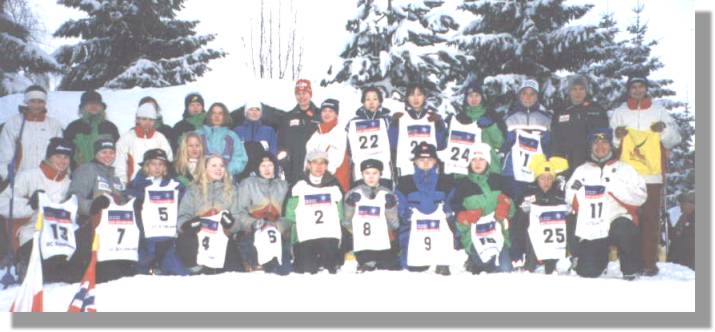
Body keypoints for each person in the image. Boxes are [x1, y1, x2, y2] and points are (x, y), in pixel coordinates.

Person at [609, 76, 682, 276]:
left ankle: (649, 263)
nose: (638, 90)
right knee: (628, 220)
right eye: (634, 87)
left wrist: (664, 131)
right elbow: (610, 143)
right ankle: (630, 263)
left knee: (650, 221)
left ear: (646, 89)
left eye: (641, 86)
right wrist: (617, 135)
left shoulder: (658, 111)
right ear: (628, 90)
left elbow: (675, 138)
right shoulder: (620, 112)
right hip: (626, 177)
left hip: (653, 176)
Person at [565, 128, 647, 280]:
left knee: (625, 228)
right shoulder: (582, 170)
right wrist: (581, 198)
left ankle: (630, 268)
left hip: (617, 219)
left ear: (611, 145)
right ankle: (597, 262)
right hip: (593, 225)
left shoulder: (625, 169)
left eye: (604, 142)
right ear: (590, 146)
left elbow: (640, 197)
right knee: (587, 272)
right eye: (596, 143)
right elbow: (569, 195)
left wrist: (613, 188)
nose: (600, 147)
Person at [0, 138, 77, 283]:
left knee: (66, 274)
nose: (63, 161)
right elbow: (3, 202)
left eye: (66, 157)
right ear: (49, 157)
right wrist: (30, 206)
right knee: (41, 274)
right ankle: (25, 264)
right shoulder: (29, 176)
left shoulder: (69, 182)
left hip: (60, 237)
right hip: (32, 233)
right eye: (58, 156)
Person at [67, 137, 134, 283]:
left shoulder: (114, 177)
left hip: (113, 231)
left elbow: (119, 200)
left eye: (111, 152)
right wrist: (91, 205)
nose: (108, 156)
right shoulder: (87, 169)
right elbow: (73, 198)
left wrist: (127, 201)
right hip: (91, 227)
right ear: (95, 153)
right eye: (104, 152)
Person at [452, 142, 514, 274]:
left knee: (504, 269)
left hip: (498, 234)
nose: (477, 163)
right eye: (473, 159)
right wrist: (464, 217)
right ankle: (473, 260)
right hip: (474, 235)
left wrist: (506, 206)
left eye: (481, 159)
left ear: (488, 161)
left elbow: (512, 208)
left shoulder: (498, 181)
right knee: (485, 264)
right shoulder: (462, 185)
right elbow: (454, 212)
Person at [124, 149, 188, 276]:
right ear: (146, 166)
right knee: (138, 274)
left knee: (180, 274)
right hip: (146, 238)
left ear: (165, 167)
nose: (157, 168)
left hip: (168, 236)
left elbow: (185, 200)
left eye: (161, 164)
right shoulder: (136, 185)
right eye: (153, 164)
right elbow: (127, 199)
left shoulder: (175, 184)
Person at [395, 142, 455, 275]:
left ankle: (442, 261)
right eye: (421, 159)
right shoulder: (405, 183)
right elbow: (400, 207)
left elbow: (452, 203)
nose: (426, 163)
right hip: (414, 230)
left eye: (430, 159)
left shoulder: (446, 182)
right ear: (415, 162)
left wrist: (448, 211)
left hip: (438, 229)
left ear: (436, 161)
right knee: (413, 267)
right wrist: (406, 214)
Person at [176, 155, 239, 273]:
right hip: (198, 238)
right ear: (204, 168)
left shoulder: (232, 190)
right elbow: (182, 218)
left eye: (221, 165)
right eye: (214, 165)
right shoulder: (193, 190)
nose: (219, 168)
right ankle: (196, 270)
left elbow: (238, 219)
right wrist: (189, 224)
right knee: (184, 241)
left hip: (222, 238)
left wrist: (231, 223)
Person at [284, 150, 344, 274]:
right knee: (305, 270)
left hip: (328, 235)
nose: (319, 166)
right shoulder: (298, 185)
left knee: (330, 269)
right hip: (306, 236)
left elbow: (340, 214)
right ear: (308, 165)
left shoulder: (334, 185)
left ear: (327, 166)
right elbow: (290, 214)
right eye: (315, 162)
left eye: (323, 163)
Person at [235, 151, 291, 275]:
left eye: (270, 165)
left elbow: (289, 214)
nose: (267, 169)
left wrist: (279, 225)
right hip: (253, 231)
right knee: (257, 266)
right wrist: (254, 223)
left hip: (277, 231)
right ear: (257, 168)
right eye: (263, 166)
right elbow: (239, 212)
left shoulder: (283, 186)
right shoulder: (248, 184)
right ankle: (252, 263)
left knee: (284, 269)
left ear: (275, 167)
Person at [513, 154, 569, 274]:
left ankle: (552, 263)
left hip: (553, 234)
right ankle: (530, 262)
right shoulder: (529, 192)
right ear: (537, 178)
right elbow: (518, 217)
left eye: (549, 178)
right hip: (532, 234)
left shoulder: (559, 194)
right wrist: (524, 210)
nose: (546, 182)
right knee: (525, 222)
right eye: (542, 178)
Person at [500, 79, 553, 206]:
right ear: (519, 95)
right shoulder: (509, 117)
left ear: (537, 97)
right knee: (512, 208)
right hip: (512, 173)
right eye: (524, 93)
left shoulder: (546, 119)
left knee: (531, 209)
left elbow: (551, 147)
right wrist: (508, 141)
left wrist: (546, 141)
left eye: (532, 94)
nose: (528, 97)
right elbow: (500, 145)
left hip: (535, 174)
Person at [343, 159, 400, 272]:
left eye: (375, 173)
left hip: (382, 243)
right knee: (367, 263)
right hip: (363, 243)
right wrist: (350, 206)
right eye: (367, 173)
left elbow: (395, 225)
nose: (371, 177)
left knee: (391, 265)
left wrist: (390, 208)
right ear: (362, 174)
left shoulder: (387, 193)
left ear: (381, 174)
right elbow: (346, 222)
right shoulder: (353, 193)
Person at [0, 85, 64, 186]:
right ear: (26, 102)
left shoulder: (54, 124)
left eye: (40, 101)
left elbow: (60, 154)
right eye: (32, 101)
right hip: (20, 179)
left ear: (45, 103)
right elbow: (5, 154)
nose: (36, 105)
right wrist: (8, 175)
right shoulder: (13, 123)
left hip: (47, 180)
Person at [551, 75, 608, 179]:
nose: (578, 92)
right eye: (574, 89)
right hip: (566, 163)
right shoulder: (561, 111)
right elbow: (555, 140)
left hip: (591, 162)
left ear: (586, 90)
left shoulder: (597, 110)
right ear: (569, 91)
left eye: (581, 89)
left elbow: (605, 138)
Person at [443, 82, 504, 175]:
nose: (474, 99)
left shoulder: (492, 115)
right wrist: (446, 130)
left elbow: (500, 143)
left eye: (477, 95)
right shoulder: (460, 118)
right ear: (466, 98)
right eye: (470, 96)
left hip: (491, 169)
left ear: (482, 97)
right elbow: (448, 145)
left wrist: (491, 126)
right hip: (464, 171)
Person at [388, 83, 447, 177]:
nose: (416, 98)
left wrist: (439, 125)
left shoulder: (433, 118)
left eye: (419, 94)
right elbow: (392, 145)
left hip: (429, 168)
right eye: (412, 95)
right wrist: (394, 125)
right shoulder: (400, 118)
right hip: (406, 169)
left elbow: (441, 145)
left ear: (424, 97)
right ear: (407, 97)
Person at [114, 102, 173, 186]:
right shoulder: (127, 138)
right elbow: (119, 164)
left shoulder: (160, 138)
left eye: (151, 120)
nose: (147, 122)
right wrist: (123, 184)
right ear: (138, 119)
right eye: (144, 119)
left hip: (157, 186)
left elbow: (168, 161)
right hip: (134, 185)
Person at [277, 79, 320, 186]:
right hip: (293, 168)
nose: (301, 97)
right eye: (298, 94)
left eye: (304, 93)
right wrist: (284, 161)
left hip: (315, 166)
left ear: (310, 94)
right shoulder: (288, 117)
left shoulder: (320, 115)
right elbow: (281, 142)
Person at [346, 87, 393, 185]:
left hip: (383, 167)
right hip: (361, 167)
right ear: (363, 102)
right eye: (368, 99)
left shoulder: (387, 121)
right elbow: (348, 146)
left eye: (375, 99)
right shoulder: (353, 122)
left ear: (380, 102)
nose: (371, 102)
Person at [63, 90, 119, 169]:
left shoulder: (110, 127)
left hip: (105, 174)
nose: (94, 106)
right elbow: (65, 153)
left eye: (97, 104)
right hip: (80, 173)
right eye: (89, 104)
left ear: (102, 107)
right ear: (82, 107)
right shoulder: (73, 127)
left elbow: (118, 152)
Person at [305, 99, 350, 192]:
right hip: (316, 182)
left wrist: (320, 176)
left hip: (335, 181)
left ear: (336, 114)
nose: (327, 114)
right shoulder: (316, 134)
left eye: (331, 111)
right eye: (324, 111)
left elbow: (335, 160)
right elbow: (308, 159)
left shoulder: (340, 133)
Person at [196, 103, 248, 181]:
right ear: (209, 115)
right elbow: (188, 157)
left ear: (225, 116)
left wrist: (225, 171)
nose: (217, 116)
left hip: (226, 181)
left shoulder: (232, 136)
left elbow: (240, 158)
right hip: (201, 180)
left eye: (220, 113)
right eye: (214, 113)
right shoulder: (198, 134)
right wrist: (202, 171)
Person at [233, 98, 279, 180]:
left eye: (257, 109)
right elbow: (234, 155)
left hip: (263, 175)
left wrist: (274, 173)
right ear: (246, 112)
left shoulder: (269, 131)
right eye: (251, 109)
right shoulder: (237, 131)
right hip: (243, 176)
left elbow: (273, 154)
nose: (254, 112)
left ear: (261, 113)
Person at [667, 191, 695, 270]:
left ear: (692, 204)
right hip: (678, 262)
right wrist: (667, 222)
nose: (680, 207)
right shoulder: (683, 217)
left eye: (683, 204)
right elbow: (674, 236)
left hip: (688, 263)